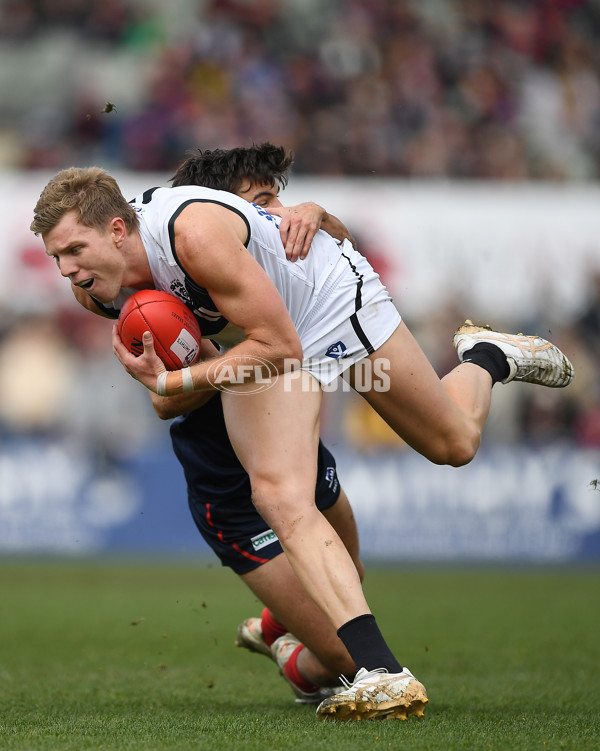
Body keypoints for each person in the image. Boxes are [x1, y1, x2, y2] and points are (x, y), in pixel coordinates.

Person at [32, 161, 573, 721]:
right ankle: (383, 673)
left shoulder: (190, 235)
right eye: (56, 259)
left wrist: (178, 380)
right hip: (268, 342)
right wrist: (174, 380)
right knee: (278, 493)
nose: (67, 271)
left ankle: (487, 355)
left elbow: (277, 349)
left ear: (118, 231)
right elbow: (176, 396)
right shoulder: (101, 295)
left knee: (454, 444)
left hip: (329, 303)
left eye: (74, 250)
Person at [165, 144, 365, 702]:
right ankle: (290, 657)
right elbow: (165, 403)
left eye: (275, 198)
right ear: (216, 217)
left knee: (352, 578)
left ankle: (274, 627)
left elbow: (346, 254)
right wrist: (218, 368)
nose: (276, 212)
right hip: (229, 489)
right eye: (260, 202)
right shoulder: (177, 290)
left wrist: (319, 214)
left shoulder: (279, 257)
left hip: (297, 454)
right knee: (349, 659)